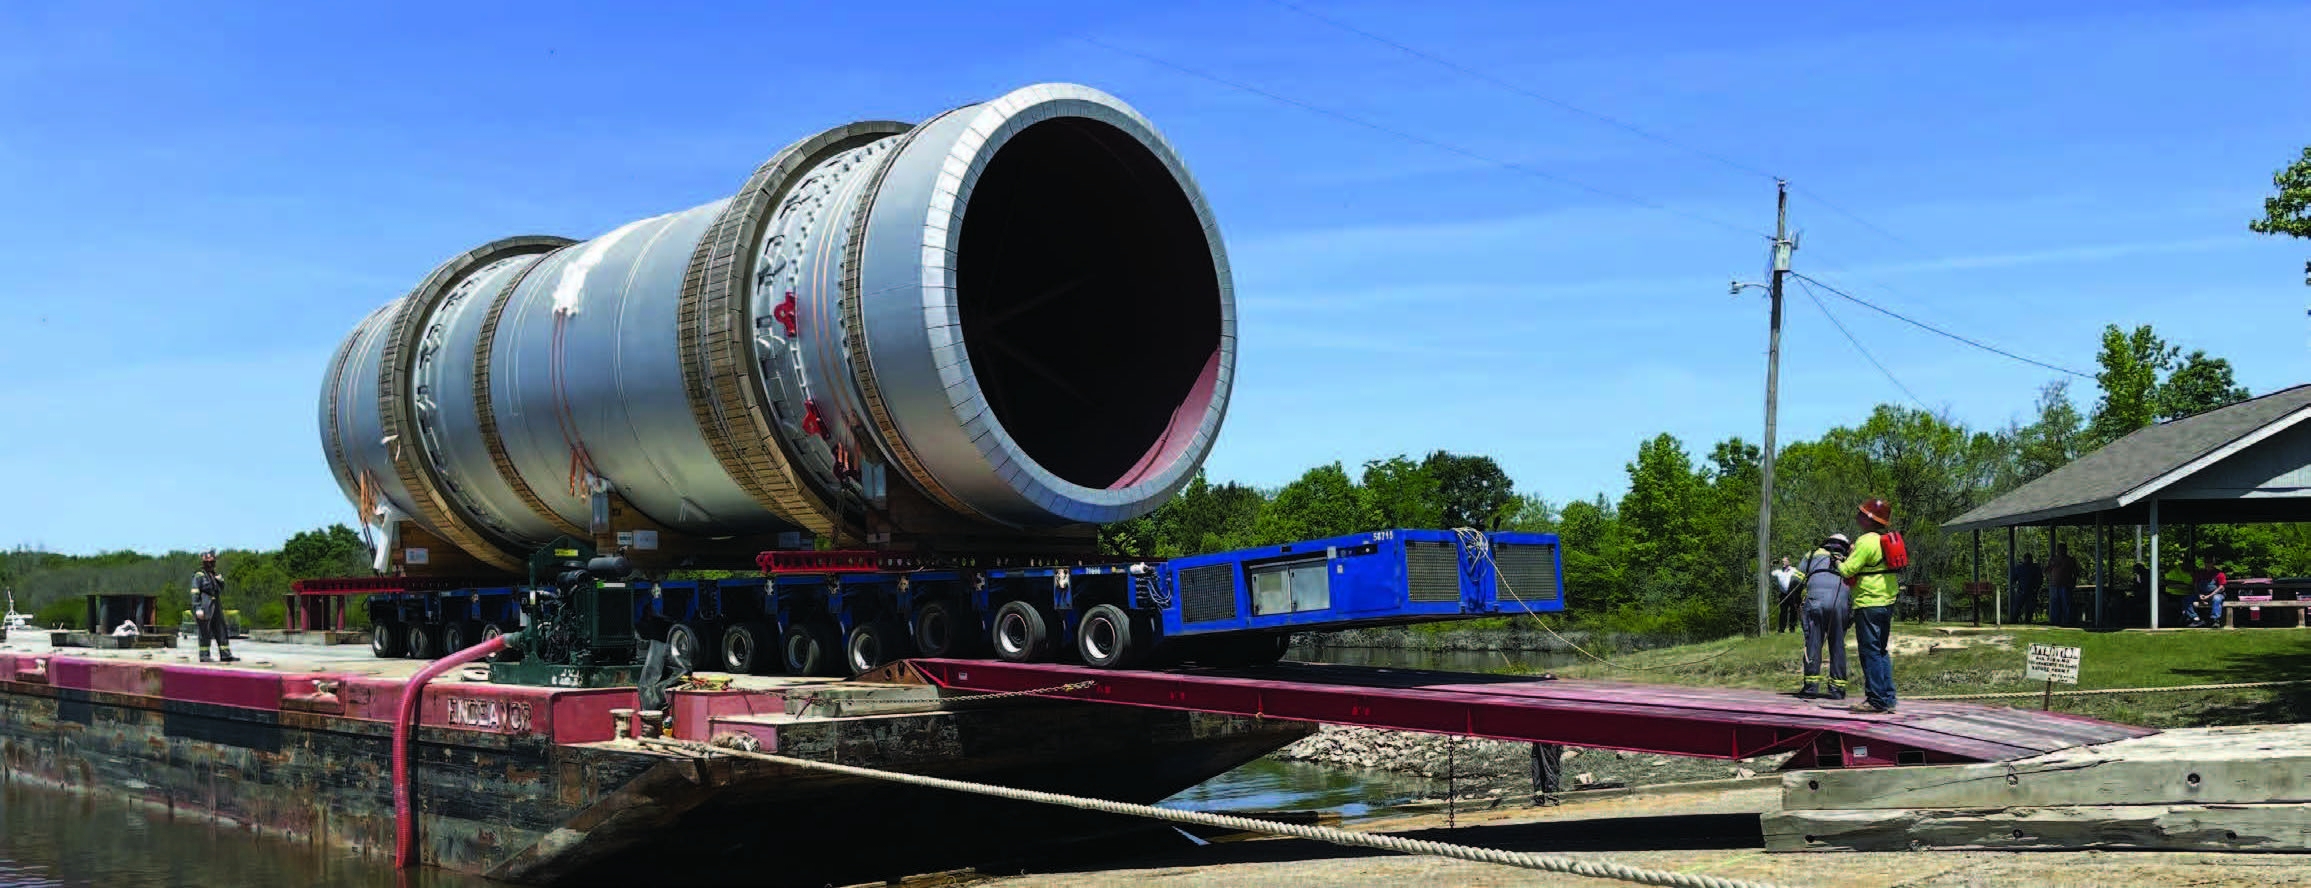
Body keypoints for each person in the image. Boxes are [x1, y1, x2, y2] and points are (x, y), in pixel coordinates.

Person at [1837, 499, 1901, 714]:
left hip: (1868, 602)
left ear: (1869, 519)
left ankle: (1876, 700)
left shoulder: (1865, 541)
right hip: (1887, 601)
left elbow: (1848, 570)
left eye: (1861, 514)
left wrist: (1837, 561)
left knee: (1870, 652)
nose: (1857, 516)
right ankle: (1888, 697)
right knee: (1881, 650)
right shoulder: (1884, 540)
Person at [1797, 534, 1853, 700]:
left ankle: (1810, 688)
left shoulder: (1812, 555)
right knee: (1837, 645)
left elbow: (1796, 581)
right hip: (1840, 603)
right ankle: (1837, 690)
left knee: (1813, 644)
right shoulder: (1849, 558)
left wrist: (1796, 604)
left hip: (1815, 603)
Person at [191, 551, 238, 663]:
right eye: (208, 562)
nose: (211, 564)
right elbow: (195, 592)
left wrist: (220, 581)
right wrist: (197, 608)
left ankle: (225, 654)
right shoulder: (199, 575)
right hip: (205, 606)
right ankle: (204, 655)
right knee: (205, 632)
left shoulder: (214, 575)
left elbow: (219, 589)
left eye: (212, 562)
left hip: (216, 606)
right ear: (203, 563)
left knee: (221, 630)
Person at [2184, 562, 2227, 628]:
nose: (2208, 564)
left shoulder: (2220, 574)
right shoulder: (2199, 573)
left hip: (2216, 594)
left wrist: (2209, 596)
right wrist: (2199, 595)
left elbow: (2221, 587)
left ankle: (2215, 620)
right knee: (2187, 599)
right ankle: (2195, 618)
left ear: (2213, 564)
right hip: (2202, 594)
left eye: (2210, 563)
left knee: (2217, 599)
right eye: (2206, 562)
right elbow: (2195, 585)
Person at [2047, 543, 2080, 628]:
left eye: (2063, 549)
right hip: (2054, 586)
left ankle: (2067, 621)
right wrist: (2052, 565)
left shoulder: (2070, 560)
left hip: (2066, 586)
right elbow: (2046, 570)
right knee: (2055, 604)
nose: (2061, 550)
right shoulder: (2053, 559)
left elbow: (2076, 572)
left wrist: (2074, 582)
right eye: (2059, 549)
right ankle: (2055, 622)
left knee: (2066, 604)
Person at [2008, 552, 2044, 624]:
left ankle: (2027, 622)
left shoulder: (2035, 568)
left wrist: (2036, 588)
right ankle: (2014, 621)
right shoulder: (2020, 567)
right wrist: (2015, 587)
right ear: (2024, 559)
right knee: (2017, 608)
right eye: (2027, 559)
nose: (2028, 560)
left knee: (2029, 609)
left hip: (2031, 591)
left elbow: (2040, 579)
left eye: (2029, 559)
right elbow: (2013, 579)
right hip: (2022, 591)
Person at [1771, 556, 1803, 633]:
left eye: (1785, 561)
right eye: (1782, 561)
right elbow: (1771, 573)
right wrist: (1771, 564)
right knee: (1783, 611)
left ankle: (1792, 628)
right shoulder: (1778, 571)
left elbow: (1801, 577)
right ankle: (1781, 629)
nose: (1783, 563)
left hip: (1792, 593)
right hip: (1783, 594)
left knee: (1793, 610)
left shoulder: (1793, 570)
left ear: (1789, 562)